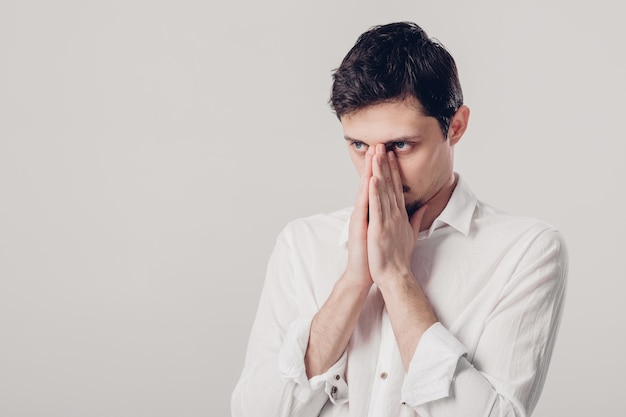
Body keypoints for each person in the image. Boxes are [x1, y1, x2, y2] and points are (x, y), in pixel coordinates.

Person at [231, 21, 567, 417]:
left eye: (401, 145)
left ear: (455, 127)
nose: (376, 171)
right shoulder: (301, 244)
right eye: (359, 145)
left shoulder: (526, 251)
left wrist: (395, 278)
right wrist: (354, 281)